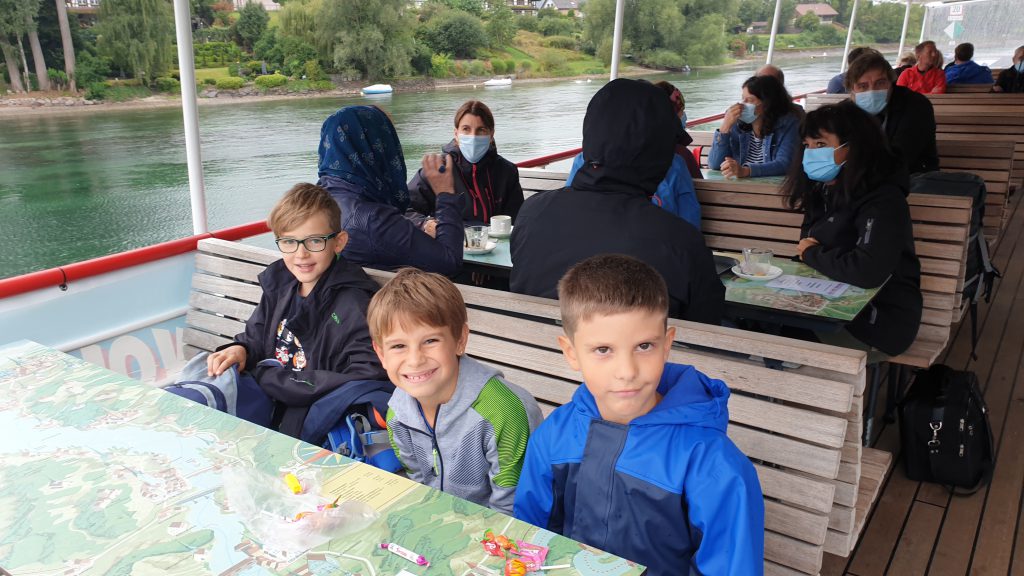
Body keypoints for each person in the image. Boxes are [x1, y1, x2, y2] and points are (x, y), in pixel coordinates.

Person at [513, 254, 764, 576]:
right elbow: (531, 540)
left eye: (644, 346)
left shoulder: (714, 464)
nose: (627, 371)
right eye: (603, 350)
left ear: (667, 344)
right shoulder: (555, 434)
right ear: (571, 353)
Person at [510, 79, 725, 325]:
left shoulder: (531, 213)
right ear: (658, 154)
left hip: (529, 347)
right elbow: (709, 324)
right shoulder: (680, 241)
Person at [205, 183, 390, 439]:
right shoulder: (280, 283)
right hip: (268, 404)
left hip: (308, 420)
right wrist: (241, 349)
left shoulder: (354, 304)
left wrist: (271, 379)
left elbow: (367, 373)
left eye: (314, 241)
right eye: (289, 242)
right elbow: (256, 337)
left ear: (338, 242)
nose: (301, 254)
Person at [368, 268, 543, 514]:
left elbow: (513, 510)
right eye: (398, 346)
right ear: (381, 354)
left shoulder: (504, 413)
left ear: (460, 340)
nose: (415, 360)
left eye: (430, 341)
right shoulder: (397, 413)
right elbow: (420, 485)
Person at [783, 101, 922, 355]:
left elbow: (867, 270)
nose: (811, 154)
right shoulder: (824, 190)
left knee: (775, 339)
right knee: (751, 326)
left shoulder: (884, 200)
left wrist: (813, 254)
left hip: (877, 323)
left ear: (854, 147)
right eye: (807, 145)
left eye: (821, 145)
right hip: (825, 304)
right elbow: (806, 249)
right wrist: (812, 255)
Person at [317, 106, 464, 276]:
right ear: (378, 146)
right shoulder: (372, 219)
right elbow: (450, 262)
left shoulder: (316, 199)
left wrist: (420, 225)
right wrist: (446, 194)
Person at [564, 81, 701, 229]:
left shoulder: (583, 160)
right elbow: (691, 226)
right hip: (654, 238)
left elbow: (570, 205)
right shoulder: (674, 165)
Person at [407, 100, 525, 227]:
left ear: (491, 135)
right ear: (456, 134)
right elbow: (405, 210)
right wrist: (426, 225)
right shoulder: (438, 170)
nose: (473, 136)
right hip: (449, 238)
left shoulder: (507, 172)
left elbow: (518, 220)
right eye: (466, 129)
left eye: (481, 130)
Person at [845, 49, 939, 174]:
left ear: (891, 83)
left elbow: (902, 158)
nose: (872, 91)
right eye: (863, 86)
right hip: (859, 176)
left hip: (912, 176)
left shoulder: (916, 105)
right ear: (852, 91)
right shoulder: (846, 110)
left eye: (880, 83)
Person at [708, 75, 800, 179]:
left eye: (749, 100)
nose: (742, 105)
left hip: (772, 187)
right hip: (739, 186)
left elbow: (785, 164)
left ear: (767, 103)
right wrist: (725, 127)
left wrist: (746, 171)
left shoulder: (789, 124)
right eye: (743, 99)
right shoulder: (737, 125)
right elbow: (715, 164)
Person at [654, 80, 703, 180]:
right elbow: (701, 187)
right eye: (681, 110)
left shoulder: (633, 149)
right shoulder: (680, 155)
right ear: (673, 116)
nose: (684, 116)